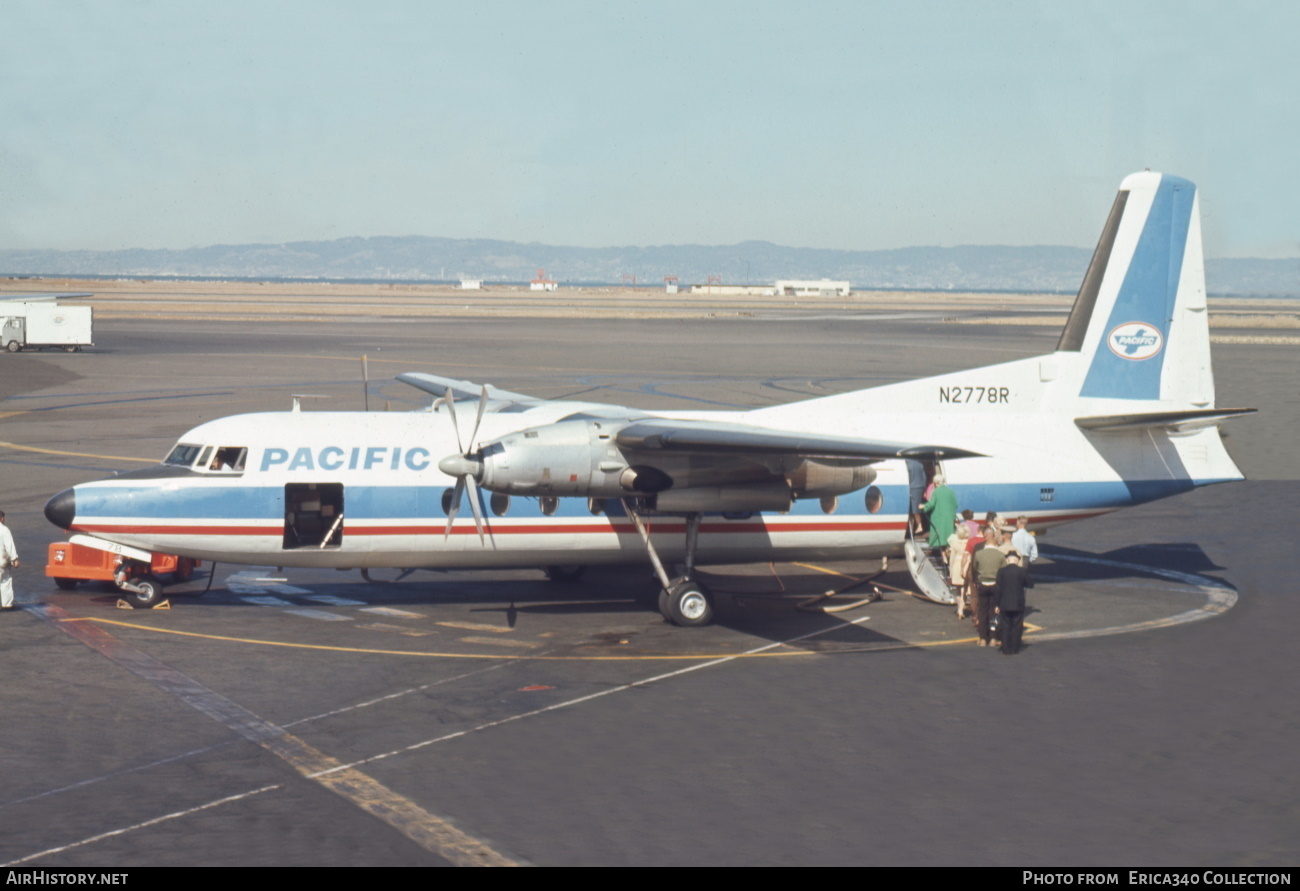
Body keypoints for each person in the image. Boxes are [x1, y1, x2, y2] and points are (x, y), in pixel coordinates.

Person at [971, 526, 1007, 646]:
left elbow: (974, 568)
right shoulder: (1000, 555)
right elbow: (1003, 570)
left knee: (982, 611)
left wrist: (977, 580)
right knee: (994, 612)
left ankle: (982, 638)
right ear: (995, 543)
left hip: (983, 584)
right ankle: (993, 638)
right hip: (995, 584)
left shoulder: (979, 554)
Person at [994, 551, 1034, 654]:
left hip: (1004, 603)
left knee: (1005, 625)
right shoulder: (1022, 571)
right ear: (1017, 560)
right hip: (1018, 603)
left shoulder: (1001, 571)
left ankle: (1006, 648)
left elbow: (998, 588)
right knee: (1017, 626)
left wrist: (997, 604)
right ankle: (1015, 648)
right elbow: (1030, 584)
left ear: (1007, 560)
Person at [919, 472, 958, 549]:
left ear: (935, 483)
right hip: (949, 518)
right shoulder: (950, 491)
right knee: (948, 536)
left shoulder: (936, 492)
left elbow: (931, 504)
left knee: (939, 539)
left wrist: (923, 506)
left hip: (939, 519)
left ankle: (943, 556)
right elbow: (955, 504)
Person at [946, 523, 971, 619]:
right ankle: (961, 609)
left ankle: (959, 608)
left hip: (956, 565)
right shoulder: (969, 543)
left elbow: (951, 558)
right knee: (964, 590)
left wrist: (951, 570)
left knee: (957, 590)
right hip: (966, 565)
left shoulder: (955, 543)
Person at [0, 511, 19, 610]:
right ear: (2, 518)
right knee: (5, 581)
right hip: (2, 562)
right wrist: (14, 558)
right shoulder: (4, 530)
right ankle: (6, 604)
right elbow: (9, 546)